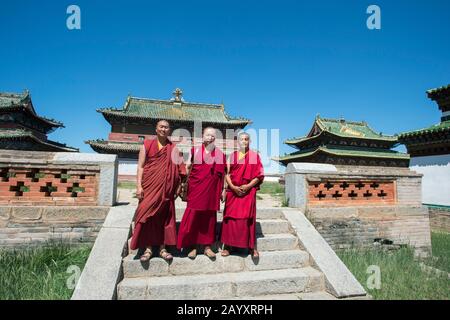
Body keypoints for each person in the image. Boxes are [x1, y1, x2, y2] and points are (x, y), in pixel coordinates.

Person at [129, 119, 185, 262]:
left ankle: (162, 248)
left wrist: (178, 186)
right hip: (149, 187)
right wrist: (139, 186)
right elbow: (141, 166)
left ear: (169, 130)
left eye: (166, 127)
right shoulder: (147, 145)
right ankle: (148, 249)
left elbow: (181, 170)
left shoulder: (174, 148)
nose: (164, 129)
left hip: (167, 190)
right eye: (161, 126)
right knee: (146, 215)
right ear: (156, 129)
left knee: (164, 218)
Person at [177, 127, 226, 259]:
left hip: (212, 190)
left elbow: (223, 174)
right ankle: (192, 246)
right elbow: (187, 167)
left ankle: (207, 246)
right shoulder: (195, 150)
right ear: (202, 136)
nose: (210, 138)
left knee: (209, 218)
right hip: (196, 188)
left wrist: (223, 190)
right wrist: (182, 184)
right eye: (208, 135)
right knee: (193, 216)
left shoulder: (220, 154)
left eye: (213, 136)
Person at [220, 132, 264, 258]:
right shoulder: (231, 156)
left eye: (246, 139)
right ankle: (228, 245)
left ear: (249, 142)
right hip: (233, 192)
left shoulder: (254, 156)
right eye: (241, 139)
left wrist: (248, 186)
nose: (244, 141)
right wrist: (232, 187)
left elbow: (259, 175)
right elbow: (227, 174)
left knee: (248, 219)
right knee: (230, 218)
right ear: (237, 142)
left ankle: (252, 247)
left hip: (248, 192)